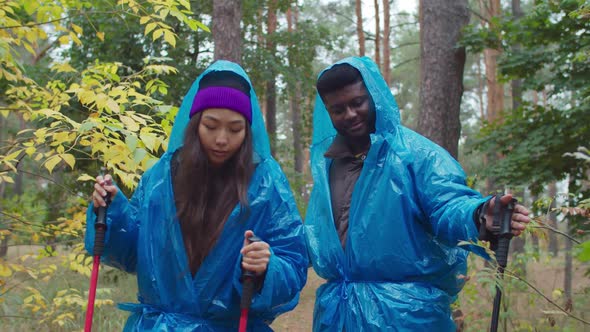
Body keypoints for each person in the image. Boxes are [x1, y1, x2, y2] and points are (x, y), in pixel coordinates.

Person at [304, 56, 531, 331]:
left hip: (408, 318)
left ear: (374, 96)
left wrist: (478, 214)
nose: (350, 114)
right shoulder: (328, 167)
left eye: (357, 102)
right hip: (336, 317)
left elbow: (448, 204)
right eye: (338, 109)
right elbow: (314, 236)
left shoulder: (415, 154)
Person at [86, 60, 308, 331]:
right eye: (211, 126)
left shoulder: (266, 184)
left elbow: (293, 262)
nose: (222, 139)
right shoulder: (162, 178)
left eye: (235, 129)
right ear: (194, 124)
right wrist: (113, 211)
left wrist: (267, 267)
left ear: (248, 132)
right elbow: (134, 254)